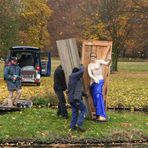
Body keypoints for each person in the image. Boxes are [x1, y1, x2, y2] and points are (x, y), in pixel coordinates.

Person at [88, 53, 111, 122]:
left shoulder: (99, 61)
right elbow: (90, 74)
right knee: (95, 97)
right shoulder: (89, 65)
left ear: (96, 57)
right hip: (94, 82)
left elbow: (107, 64)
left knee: (98, 95)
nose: (93, 58)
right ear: (90, 57)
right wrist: (94, 78)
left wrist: (109, 60)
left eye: (94, 56)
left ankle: (102, 115)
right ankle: (98, 114)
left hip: (100, 81)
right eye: (91, 57)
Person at [68, 65, 87, 132]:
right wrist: (82, 66)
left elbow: (76, 90)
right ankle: (79, 124)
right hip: (75, 99)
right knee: (84, 110)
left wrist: (84, 94)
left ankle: (72, 126)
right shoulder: (73, 76)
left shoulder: (74, 80)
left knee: (75, 113)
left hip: (72, 99)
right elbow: (81, 71)